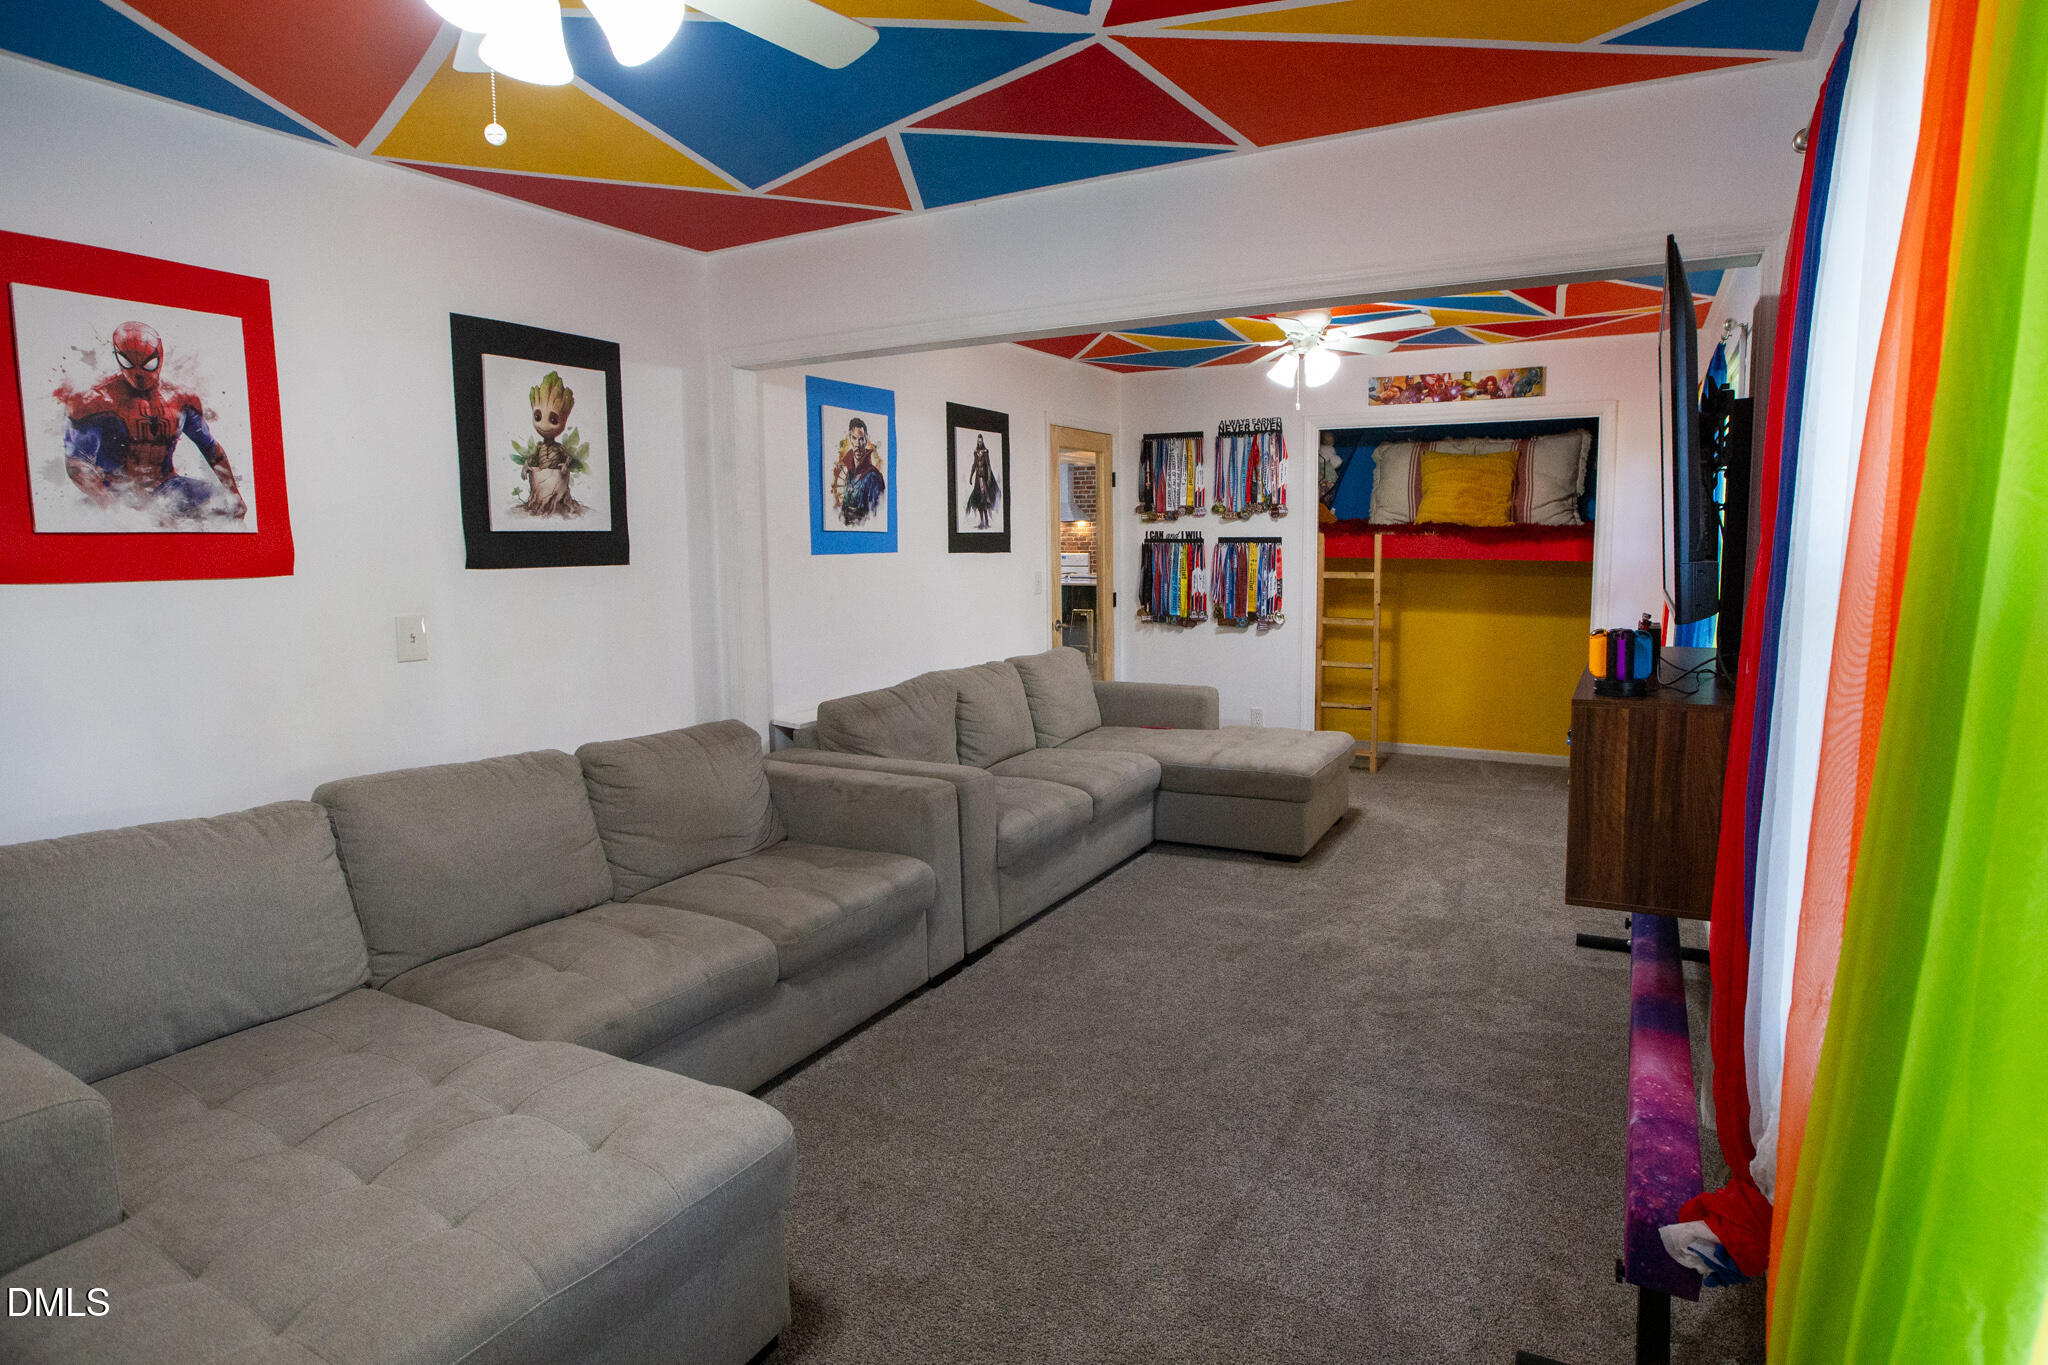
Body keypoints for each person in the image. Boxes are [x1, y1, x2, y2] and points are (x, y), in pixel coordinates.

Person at [62, 321, 247, 524]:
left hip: (167, 485)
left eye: (148, 364)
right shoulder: (96, 400)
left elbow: (210, 448)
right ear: (118, 357)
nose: (139, 374)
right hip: (119, 492)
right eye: (128, 363)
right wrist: (123, 512)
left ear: (159, 357)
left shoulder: (181, 398)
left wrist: (234, 494)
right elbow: (77, 466)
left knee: (227, 508)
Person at [832, 417, 886, 526]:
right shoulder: (849, 473)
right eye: (854, 438)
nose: (858, 444)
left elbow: (875, 517)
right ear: (850, 439)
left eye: (861, 439)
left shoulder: (873, 477)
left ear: (866, 440)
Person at [963, 434, 1000, 529]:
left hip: (984, 478)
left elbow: (988, 465)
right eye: (978, 441)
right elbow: (974, 464)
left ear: (982, 441)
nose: (979, 442)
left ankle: (986, 521)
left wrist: (988, 478)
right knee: (978, 499)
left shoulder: (985, 452)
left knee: (984, 499)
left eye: (981, 441)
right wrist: (971, 476)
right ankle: (982, 522)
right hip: (977, 479)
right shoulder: (975, 452)